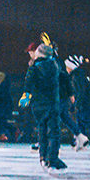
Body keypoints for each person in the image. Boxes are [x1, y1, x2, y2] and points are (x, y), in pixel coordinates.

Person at [21, 35, 67, 171]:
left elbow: (28, 83)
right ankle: (52, 158)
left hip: (39, 105)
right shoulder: (55, 65)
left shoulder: (33, 67)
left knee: (42, 130)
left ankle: (43, 157)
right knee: (54, 132)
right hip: (52, 103)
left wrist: (26, 97)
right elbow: (64, 78)